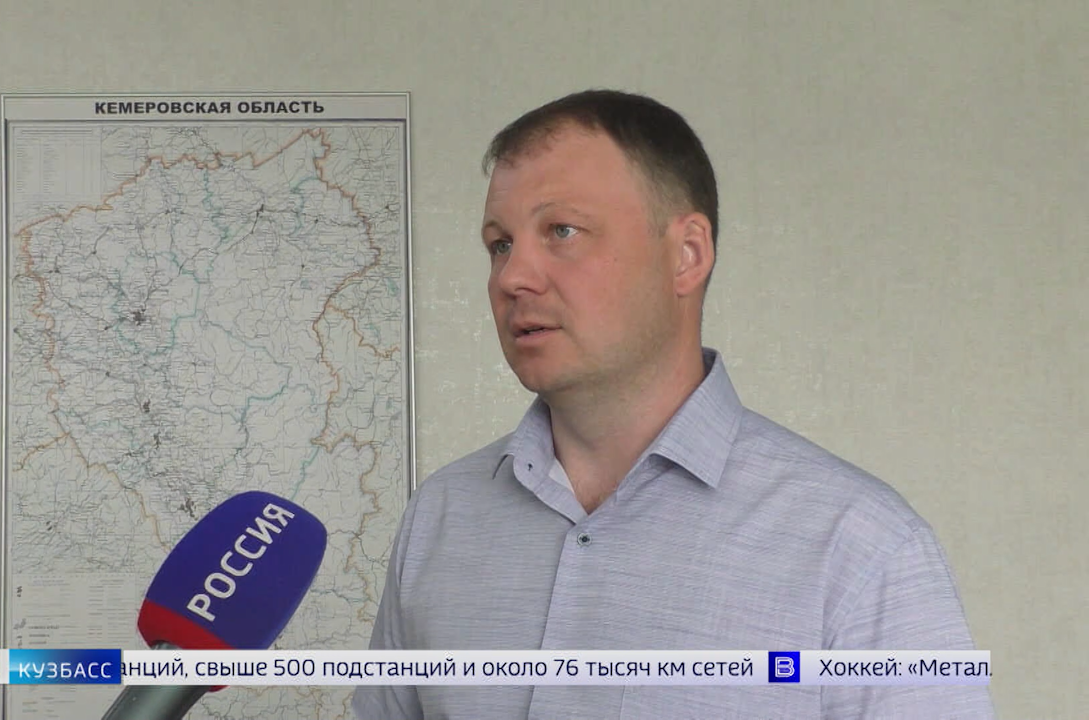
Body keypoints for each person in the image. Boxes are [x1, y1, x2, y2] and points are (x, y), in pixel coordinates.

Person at [352, 89, 994, 719]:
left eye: (562, 230)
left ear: (687, 255)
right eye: (500, 244)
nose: (513, 277)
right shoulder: (439, 519)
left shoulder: (862, 549)